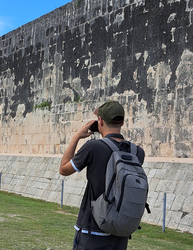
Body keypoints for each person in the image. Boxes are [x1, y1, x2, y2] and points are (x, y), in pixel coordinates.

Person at [59, 101, 145, 250]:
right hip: (120, 231)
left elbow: (64, 169)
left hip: (92, 230)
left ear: (100, 121)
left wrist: (76, 137)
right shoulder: (137, 152)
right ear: (122, 122)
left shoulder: (93, 147)